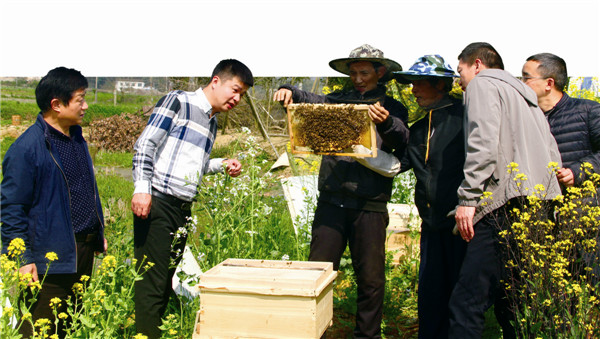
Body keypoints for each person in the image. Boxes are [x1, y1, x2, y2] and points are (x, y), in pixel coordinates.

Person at [273, 44, 409, 338]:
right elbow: (311, 100)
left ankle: (367, 335)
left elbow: (401, 136)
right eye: (354, 73)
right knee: (317, 273)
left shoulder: (393, 106)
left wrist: (385, 121)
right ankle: (313, 330)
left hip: (370, 204)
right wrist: (290, 91)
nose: (358, 78)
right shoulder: (338, 101)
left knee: (371, 280)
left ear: (380, 72)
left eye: (364, 73)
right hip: (332, 200)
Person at [132, 59, 253, 338]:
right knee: (152, 281)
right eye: (234, 90)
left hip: (182, 208)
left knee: (165, 280)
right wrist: (142, 189)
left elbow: (195, 163)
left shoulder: (211, 121)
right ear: (215, 81)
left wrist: (222, 164)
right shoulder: (178, 102)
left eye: (242, 95)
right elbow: (145, 144)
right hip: (158, 201)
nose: (237, 99)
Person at [448, 42, 562, 338]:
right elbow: (552, 152)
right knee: (514, 302)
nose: (459, 80)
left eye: (459, 70)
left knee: (466, 302)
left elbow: (482, 144)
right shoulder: (527, 97)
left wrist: (468, 198)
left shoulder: (482, 85)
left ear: (476, 64)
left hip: (503, 206)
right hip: (536, 208)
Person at [1, 66, 106, 337]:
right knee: (41, 330)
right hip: (47, 259)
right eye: (80, 99)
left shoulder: (76, 138)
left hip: (81, 252)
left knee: (70, 328)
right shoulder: (27, 148)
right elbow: (11, 209)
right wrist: (23, 259)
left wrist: (97, 231)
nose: (85, 106)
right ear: (56, 105)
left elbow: (85, 188)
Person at [392, 55, 467, 338]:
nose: (413, 91)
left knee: (461, 295)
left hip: (464, 225)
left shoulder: (467, 116)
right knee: (431, 292)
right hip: (431, 226)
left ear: (439, 84)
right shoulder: (420, 128)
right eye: (411, 84)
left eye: (419, 84)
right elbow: (399, 165)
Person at [522, 52, 600, 278]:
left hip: (583, 218)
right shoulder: (526, 118)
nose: (522, 83)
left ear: (549, 83)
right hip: (539, 220)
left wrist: (577, 171)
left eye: (527, 77)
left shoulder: (588, 111)